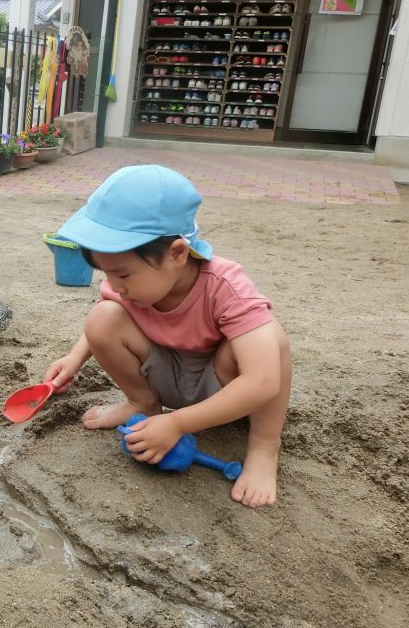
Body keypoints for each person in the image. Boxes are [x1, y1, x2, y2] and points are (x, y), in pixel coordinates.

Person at [42, 165, 291, 508]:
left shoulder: (225, 287)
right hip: (163, 375)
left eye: (123, 274)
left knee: (271, 339)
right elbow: (109, 313)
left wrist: (176, 423)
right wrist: (74, 358)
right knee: (102, 318)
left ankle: (264, 447)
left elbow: (263, 381)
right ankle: (142, 403)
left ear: (177, 253)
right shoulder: (131, 285)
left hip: (221, 386)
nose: (115, 286)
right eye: (107, 273)